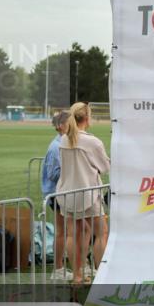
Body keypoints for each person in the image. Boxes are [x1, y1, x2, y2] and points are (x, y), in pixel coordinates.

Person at [57, 102, 111, 284]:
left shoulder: (65, 138)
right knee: (101, 232)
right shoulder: (92, 141)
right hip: (87, 193)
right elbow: (105, 167)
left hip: (67, 193)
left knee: (74, 233)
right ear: (87, 118)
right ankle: (101, 274)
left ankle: (78, 276)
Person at [42, 111, 71, 281]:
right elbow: (53, 174)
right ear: (60, 126)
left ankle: (62, 267)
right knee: (62, 232)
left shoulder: (64, 143)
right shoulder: (55, 147)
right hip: (56, 193)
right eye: (69, 122)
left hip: (62, 191)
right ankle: (58, 269)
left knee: (67, 230)